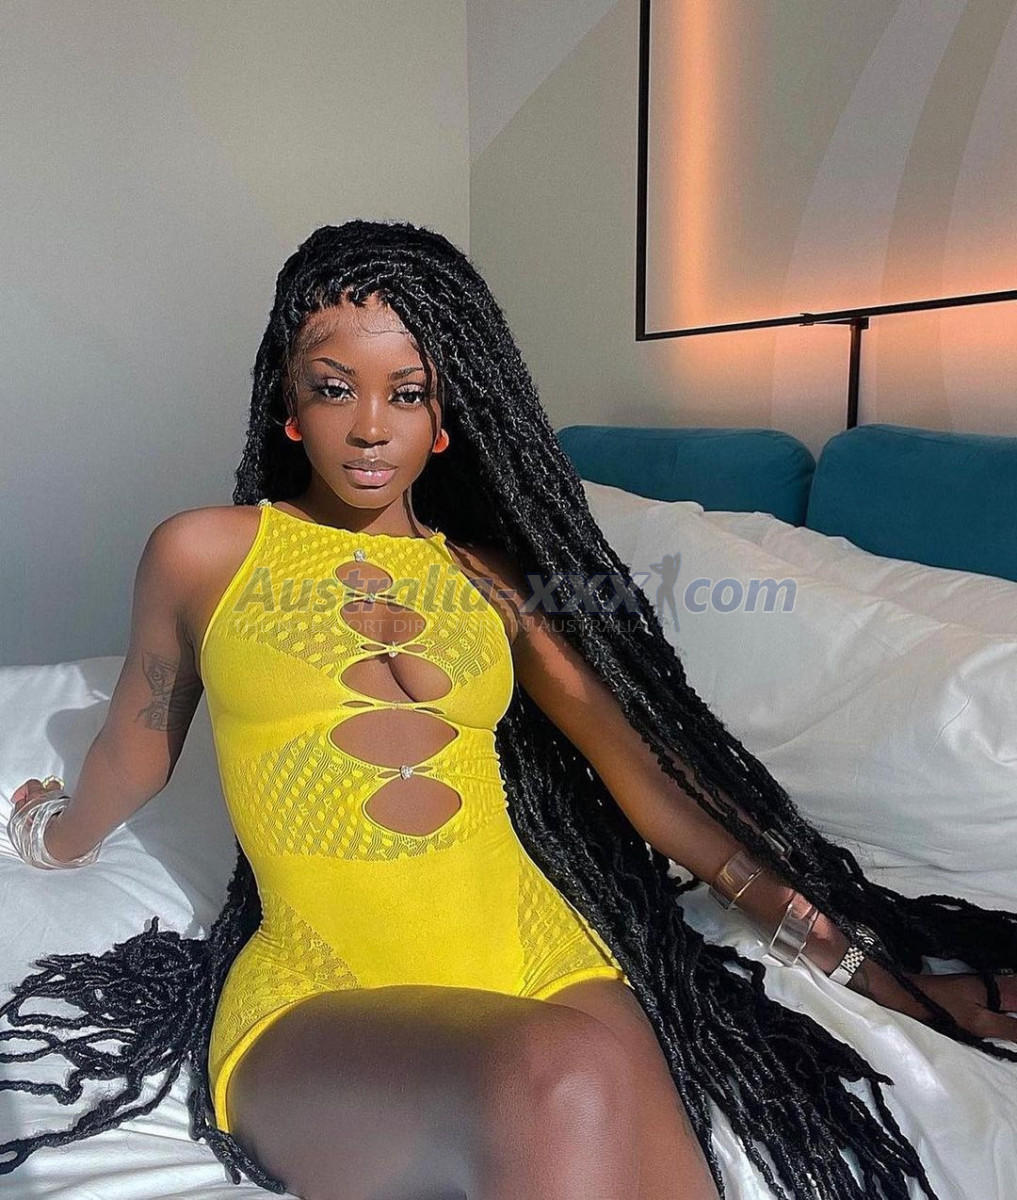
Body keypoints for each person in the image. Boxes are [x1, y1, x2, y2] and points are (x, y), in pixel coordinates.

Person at [2, 219, 1015, 1200]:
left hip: (545, 955)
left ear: (445, 420)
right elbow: (139, 745)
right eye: (335, 387)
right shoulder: (202, 553)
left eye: (407, 393)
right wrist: (52, 831)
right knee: (565, 1075)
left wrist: (862, 965)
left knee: (598, 1089)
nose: (370, 425)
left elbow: (653, 792)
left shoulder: (487, 581)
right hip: (324, 983)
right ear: (289, 407)